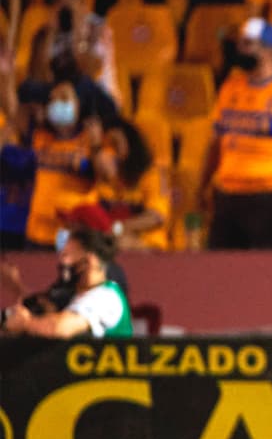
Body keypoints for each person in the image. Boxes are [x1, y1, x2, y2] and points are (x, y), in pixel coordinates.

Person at [200, 18, 272, 249]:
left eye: (247, 44)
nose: (240, 50)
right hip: (227, 195)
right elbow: (215, 144)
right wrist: (202, 185)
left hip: (269, 199)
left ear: (268, 49)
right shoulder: (230, 87)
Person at [22, 80, 114, 248]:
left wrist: (95, 146)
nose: (57, 104)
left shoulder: (91, 139)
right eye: (53, 100)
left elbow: (108, 175)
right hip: (39, 232)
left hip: (76, 232)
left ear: (79, 105)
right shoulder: (40, 136)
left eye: (64, 99)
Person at [1, 227, 131, 338]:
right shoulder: (76, 295)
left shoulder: (105, 297)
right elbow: (44, 307)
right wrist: (16, 287)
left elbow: (59, 328)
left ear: (89, 261)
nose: (62, 262)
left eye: (66, 255)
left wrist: (26, 323)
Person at [95, 119, 171, 250]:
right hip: (110, 243)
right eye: (106, 146)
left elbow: (156, 217)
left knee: (120, 243)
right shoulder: (101, 177)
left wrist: (119, 228)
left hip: (148, 247)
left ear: (131, 145)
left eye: (115, 144)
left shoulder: (152, 174)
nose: (110, 151)